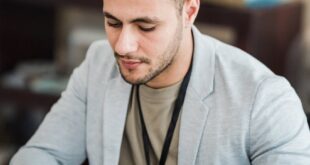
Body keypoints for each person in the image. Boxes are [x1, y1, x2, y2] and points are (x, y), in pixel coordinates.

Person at [10, 0, 310, 164]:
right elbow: (44, 153)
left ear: (189, 12)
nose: (123, 46)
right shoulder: (98, 63)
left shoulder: (264, 97)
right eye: (113, 22)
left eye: (146, 26)